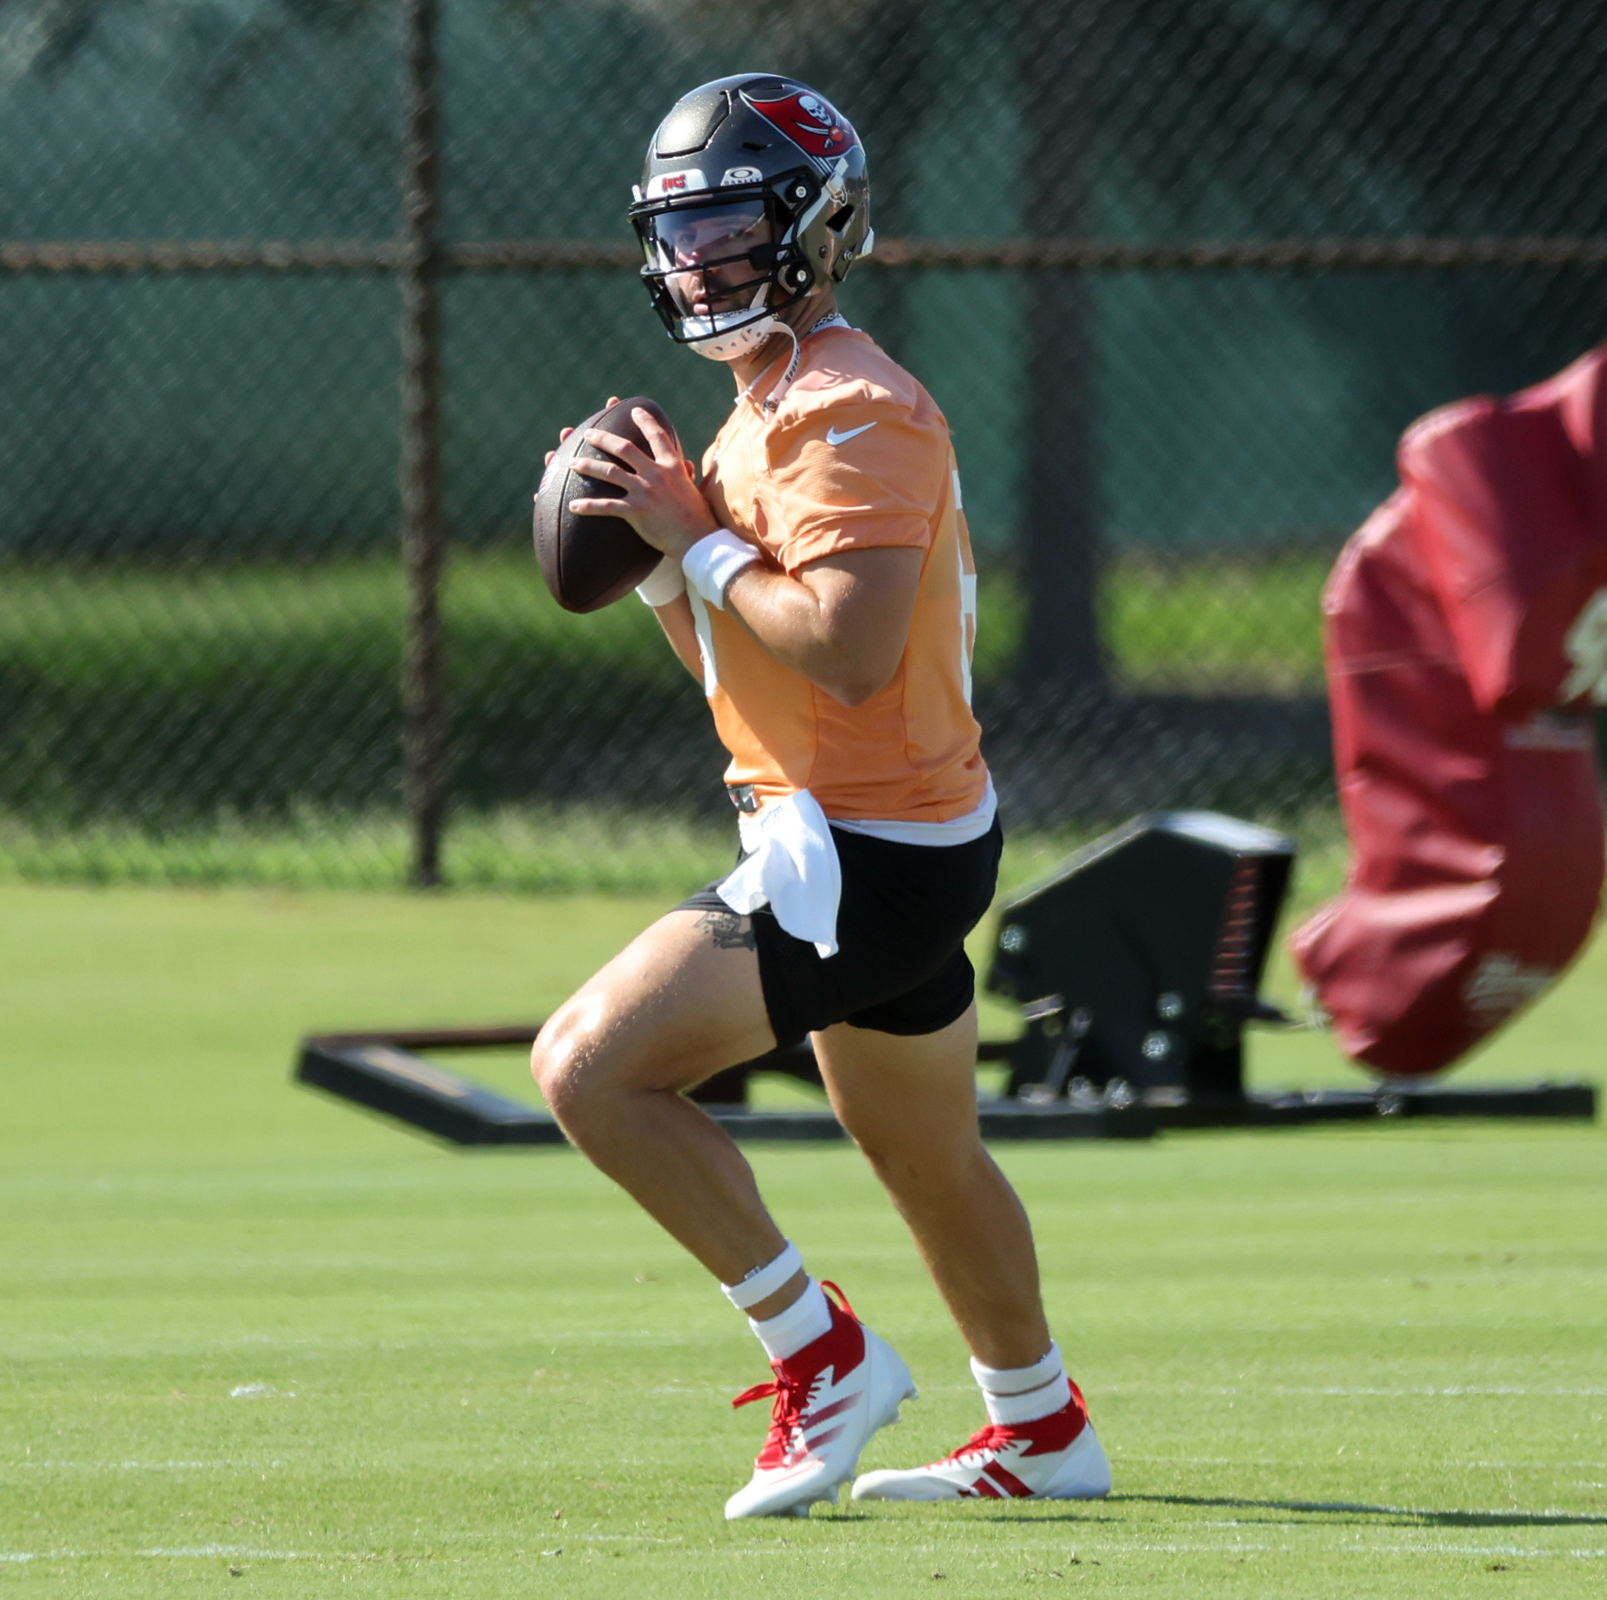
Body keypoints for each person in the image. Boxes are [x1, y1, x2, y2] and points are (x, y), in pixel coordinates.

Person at [529, 74, 1111, 1519]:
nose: (697, 262)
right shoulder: (756, 417)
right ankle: (1041, 1430)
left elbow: (845, 654)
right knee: (923, 1151)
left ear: (817, 222)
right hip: (875, 832)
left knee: (588, 1069)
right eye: (675, 232)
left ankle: (819, 1352)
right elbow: (744, 661)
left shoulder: (850, 407)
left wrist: (697, 545)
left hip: (861, 847)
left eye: (727, 224)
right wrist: (668, 561)